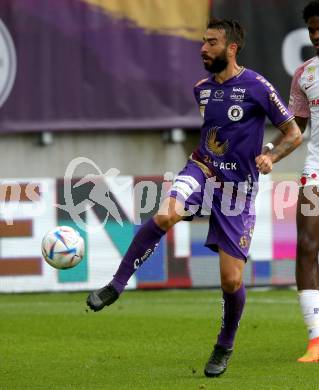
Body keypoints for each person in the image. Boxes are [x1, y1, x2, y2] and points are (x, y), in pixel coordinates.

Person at [87, 18, 302, 376]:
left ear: (231, 48)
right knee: (164, 216)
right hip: (201, 170)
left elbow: (293, 133)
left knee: (231, 281)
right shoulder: (201, 89)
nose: (203, 48)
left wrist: (271, 155)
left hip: (238, 189)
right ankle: (116, 284)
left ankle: (225, 344)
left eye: (212, 43)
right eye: (203, 42)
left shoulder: (257, 86)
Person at [289, 0, 319, 363]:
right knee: (308, 243)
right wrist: (267, 152)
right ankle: (316, 339)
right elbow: (294, 130)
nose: (315, 36)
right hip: (316, 171)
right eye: (311, 30)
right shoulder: (304, 74)